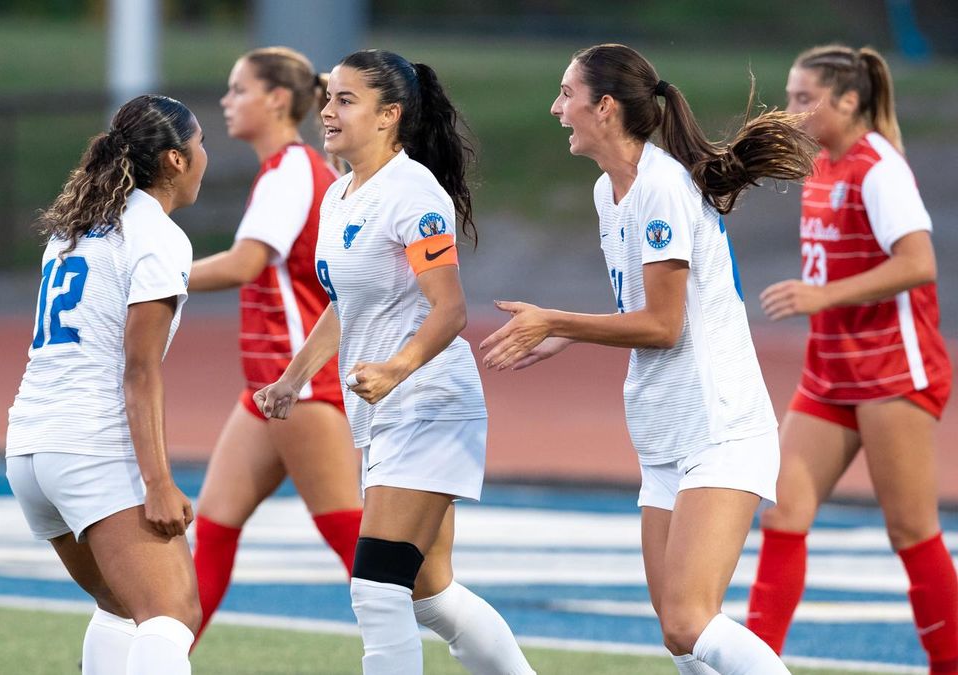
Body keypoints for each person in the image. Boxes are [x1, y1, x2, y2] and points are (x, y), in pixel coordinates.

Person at [481, 43, 818, 674]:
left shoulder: (661, 187)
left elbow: (664, 327)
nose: (556, 109)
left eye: (567, 95)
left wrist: (558, 321)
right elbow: (646, 309)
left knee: (692, 620)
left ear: (605, 107)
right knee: (678, 633)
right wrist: (569, 333)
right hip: (666, 430)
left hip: (719, 430)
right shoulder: (609, 192)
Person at [255, 49, 533, 675]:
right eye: (329, 99)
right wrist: (293, 378)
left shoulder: (413, 192)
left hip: (429, 406)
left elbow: (450, 309)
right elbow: (346, 305)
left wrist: (395, 368)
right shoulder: (341, 194)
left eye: (345, 100)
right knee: (430, 595)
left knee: (376, 589)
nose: (328, 111)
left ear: (389, 115)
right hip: (388, 413)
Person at [747, 44, 956, 673]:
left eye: (804, 98)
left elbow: (919, 263)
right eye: (790, 96)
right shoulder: (821, 163)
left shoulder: (878, 167)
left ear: (847, 102)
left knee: (911, 531)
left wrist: (824, 295)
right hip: (830, 371)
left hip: (892, 371)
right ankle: (757, 664)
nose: (791, 110)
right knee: (783, 513)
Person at [4, 94, 204, 674]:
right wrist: (158, 482)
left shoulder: (78, 226)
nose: (204, 155)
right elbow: (139, 369)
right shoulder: (158, 235)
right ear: (175, 159)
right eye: (200, 145)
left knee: (119, 605)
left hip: (29, 447)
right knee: (173, 613)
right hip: (91, 445)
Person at [188, 46, 361, 641]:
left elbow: (244, 263)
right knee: (213, 531)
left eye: (239, 89)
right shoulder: (291, 169)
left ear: (277, 99)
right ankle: (154, 659)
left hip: (300, 385)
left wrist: (147, 276)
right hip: (271, 387)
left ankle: (467, 641)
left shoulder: (291, 170)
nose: (226, 101)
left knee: (360, 551)